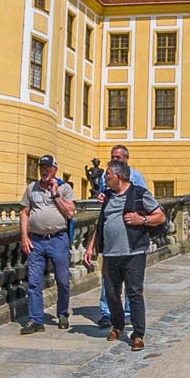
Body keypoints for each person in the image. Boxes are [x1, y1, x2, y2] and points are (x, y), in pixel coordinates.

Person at [77, 149, 166, 350]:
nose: (104, 179)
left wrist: (142, 219)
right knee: (111, 292)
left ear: (117, 176)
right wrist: (91, 247)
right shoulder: (107, 196)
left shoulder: (139, 193)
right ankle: (117, 326)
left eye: (107, 175)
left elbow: (160, 217)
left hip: (134, 251)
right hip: (110, 253)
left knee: (134, 292)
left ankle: (138, 334)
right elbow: (102, 222)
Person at [16, 154, 76, 334]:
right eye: (41, 167)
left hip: (58, 239)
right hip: (36, 241)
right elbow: (24, 213)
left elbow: (70, 213)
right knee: (34, 282)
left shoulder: (64, 188)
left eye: (47, 168)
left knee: (63, 280)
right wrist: (24, 237)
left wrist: (55, 193)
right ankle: (36, 320)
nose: (43, 170)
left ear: (54, 170)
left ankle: (63, 314)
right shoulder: (31, 188)